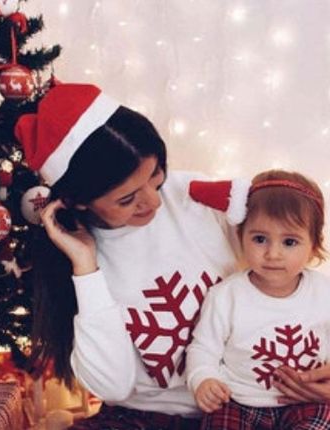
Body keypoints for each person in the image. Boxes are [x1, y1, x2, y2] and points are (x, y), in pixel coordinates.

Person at [14, 82, 250, 429]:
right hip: (143, 419)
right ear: (79, 201)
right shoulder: (73, 258)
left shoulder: (195, 196)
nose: (154, 202)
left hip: (243, 405)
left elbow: (292, 259)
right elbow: (114, 385)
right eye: (127, 199)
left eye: (156, 177)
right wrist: (86, 267)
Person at [186, 169, 330, 429]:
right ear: (241, 238)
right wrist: (203, 378)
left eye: (289, 242)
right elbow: (202, 348)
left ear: (313, 247)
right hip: (238, 400)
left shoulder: (324, 292)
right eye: (260, 239)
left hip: (305, 401)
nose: (273, 254)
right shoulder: (226, 296)